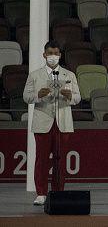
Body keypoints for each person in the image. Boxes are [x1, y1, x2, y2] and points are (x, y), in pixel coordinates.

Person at [23, 41, 81, 205]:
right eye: (50, 53)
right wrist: (38, 95)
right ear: (44, 55)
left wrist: (69, 95)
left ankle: (58, 192)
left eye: (56, 53)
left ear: (60, 55)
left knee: (60, 159)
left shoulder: (69, 75)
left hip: (63, 122)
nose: (53, 56)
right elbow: (26, 97)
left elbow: (78, 98)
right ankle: (41, 193)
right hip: (43, 121)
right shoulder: (35, 75)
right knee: (41, 158)